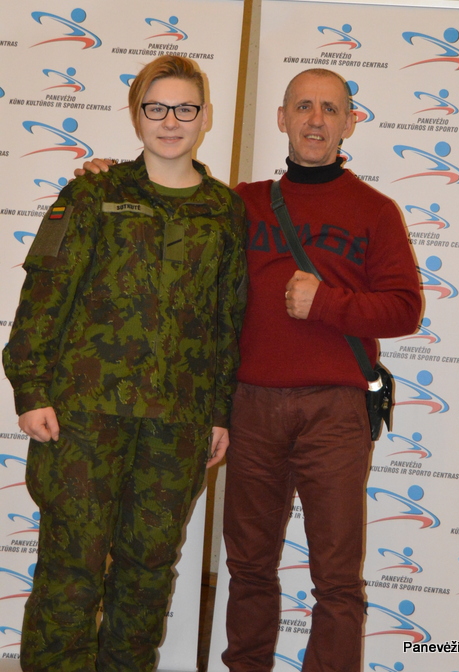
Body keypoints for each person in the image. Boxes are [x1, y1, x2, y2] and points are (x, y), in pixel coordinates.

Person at [77, 68, 422, 672]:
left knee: (337, 581)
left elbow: (405, 310)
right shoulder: (239, 203)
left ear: (349, 123)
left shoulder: (376, 211)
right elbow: (168, 199)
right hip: (252, 407)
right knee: (249, 568)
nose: (316, 119)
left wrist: (328, 303)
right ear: (282, 118)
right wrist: (108, 177)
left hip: (336, 412)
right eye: (303, 106)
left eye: (331, 109)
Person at [3, 55, 247, 672]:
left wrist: (219, 412)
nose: (171, 121)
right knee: (72, 567)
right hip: (84, 417)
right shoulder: (94, 192)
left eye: (185, 108)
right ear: (136, 115)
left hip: (177, 424)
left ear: (205, 117)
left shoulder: (224, 210)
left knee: (147, 571)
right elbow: (45, 293)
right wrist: (30, 389)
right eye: (156, 108)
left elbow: (227, 319)